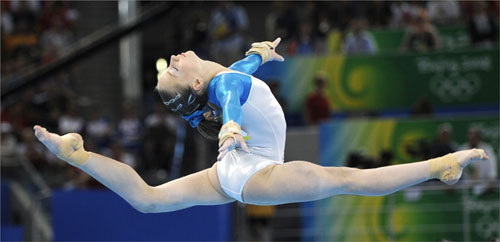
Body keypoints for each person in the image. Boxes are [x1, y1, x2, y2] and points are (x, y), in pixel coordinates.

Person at [34, 38, 489, 213]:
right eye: (172, 69)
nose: (173, 58)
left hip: (231, 173)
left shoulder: (225, 77)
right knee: (347, 179)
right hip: (252, 171)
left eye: (168, 65)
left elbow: (238, 74)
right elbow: (232, 95)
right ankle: (442, 164)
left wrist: (260, 56)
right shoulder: (224, 89)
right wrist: (230, 126)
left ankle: (80, 156)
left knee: (149, 201)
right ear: (195, 81)